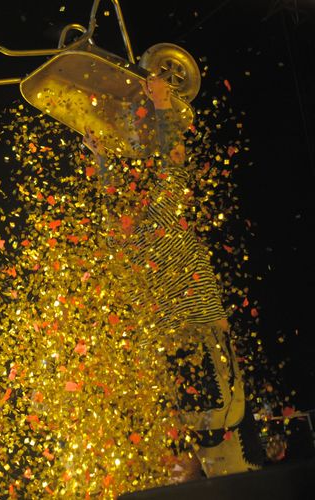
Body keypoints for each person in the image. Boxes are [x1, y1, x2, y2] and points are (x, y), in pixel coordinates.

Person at [83, 76, 264, 480]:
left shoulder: (159, 214)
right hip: (185, 345)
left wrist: (162, 104)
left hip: (200, 336)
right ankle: (218, 467)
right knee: (214, 426)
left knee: (221, 424)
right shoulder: (130, 235)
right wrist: (101, 157)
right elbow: (113, 192)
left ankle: (229, 468)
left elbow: (172, 158)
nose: (122, 212)